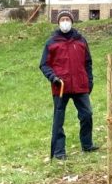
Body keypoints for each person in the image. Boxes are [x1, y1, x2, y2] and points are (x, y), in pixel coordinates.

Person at [39, 10, 99, 160]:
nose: (65, 22)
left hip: (80, 85)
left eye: (67, 19)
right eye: (62, 19)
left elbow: (88, 62)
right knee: (59, 119)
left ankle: (87, 144)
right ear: (58, 22)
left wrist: (89, 81)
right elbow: (44, 64)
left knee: (87, 115)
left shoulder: (81, 41)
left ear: (72, 22)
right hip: (61, 87)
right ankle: (59, 151)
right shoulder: (51, 42)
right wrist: (53, 78)